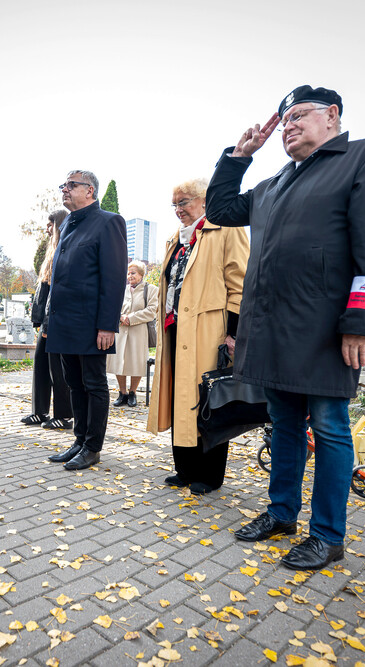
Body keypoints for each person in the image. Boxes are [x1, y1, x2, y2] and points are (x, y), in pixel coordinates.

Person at [206, 85, 365, 570]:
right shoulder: (274, 183)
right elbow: (221, 210)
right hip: (272, 328)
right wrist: (237, 157)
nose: (288, 125)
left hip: (324, 328)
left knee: (330, 429)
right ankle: (281, 514)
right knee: (285, 424)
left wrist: (362, 323)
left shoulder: (364, 156)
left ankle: (327, 535)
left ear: (332, 115)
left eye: (299, 115)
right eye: (283, 120)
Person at [146, 178, 249, 495]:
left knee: (208, 401)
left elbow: (241, 284)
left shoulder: (226, 229)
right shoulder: (175, 239)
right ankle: (185, 469)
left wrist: (233, 333)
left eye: (184, 202)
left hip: (209, 330)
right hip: (175, 329)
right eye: (174, 204)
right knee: (181, 399)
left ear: (205, 200)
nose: (178, 210)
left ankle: (210, 474)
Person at [44, 170, 127, 471]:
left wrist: (108, 324)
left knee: (94, 384)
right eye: (63, 185)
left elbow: (114, 277)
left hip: (92, 324)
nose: (64, 190)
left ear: (90, 190)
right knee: (74, 383)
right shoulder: (67, 224)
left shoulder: (108, 222)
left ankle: (93, 447)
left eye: (71, 185)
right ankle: (79, 440)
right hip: (65, 322)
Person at [24, 210, 73, 429]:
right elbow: (43, 290)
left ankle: (64, 415)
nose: (47, 227)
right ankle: (40, 412)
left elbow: (56, 291)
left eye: (50, 224)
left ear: (59, 225)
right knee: (41, 365)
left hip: (55, 320)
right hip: (46, 319)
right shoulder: (51, 250)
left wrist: (47, 322)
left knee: (58, 369)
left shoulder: (64, 250)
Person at [108, 261, 158, 408]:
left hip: (138, 331)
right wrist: (121, 316)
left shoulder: (151, 290)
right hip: (121, 330)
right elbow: (112, 307)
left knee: (136, 362)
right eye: (128, 273)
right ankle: (122, 393)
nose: (130, 276)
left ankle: (132, 393)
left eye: (133, 273)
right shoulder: (120, 290)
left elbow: (151, 311)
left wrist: (131, 318)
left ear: (141, 274)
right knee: (119, 362)